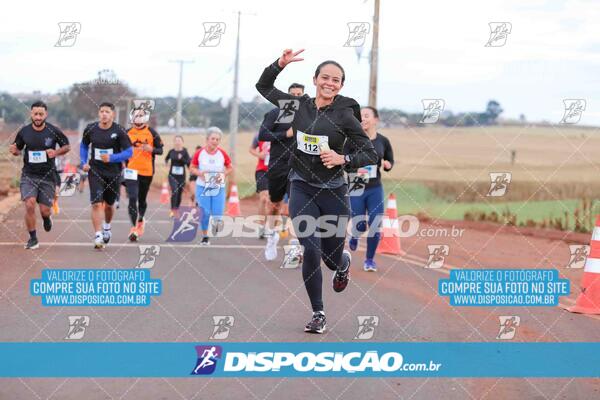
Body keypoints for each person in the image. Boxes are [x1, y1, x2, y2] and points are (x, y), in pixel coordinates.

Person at [256, 49, 378, 333]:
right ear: (315, 79)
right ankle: (318, 313)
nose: (330, 83)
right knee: (309, 248)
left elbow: (368, 153)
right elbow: (263, 87)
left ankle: (343, 261)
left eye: (336, 80)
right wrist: (279, 65)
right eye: (325, 77)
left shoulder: (346, 115)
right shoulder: (298, 106)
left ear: (341, 86)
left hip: (334, 191)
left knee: (331, 257)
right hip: (301, 185)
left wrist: (343, 159)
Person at [9, 101, 70, 249]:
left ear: (45, 115)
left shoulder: (53, 131)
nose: (37, 117)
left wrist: (55, 152)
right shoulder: (24, 132)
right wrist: (15, 151)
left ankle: (46, 218)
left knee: (44, 209)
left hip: (48, 176)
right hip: (29, 175)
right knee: (29, 204)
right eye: (35, 114)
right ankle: (33, 238)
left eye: (40, 114)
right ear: (31, 114)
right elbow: (17, 149)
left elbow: (67, 146)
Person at [258, 82, 305, 260]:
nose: (295, 97)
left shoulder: (308, 116)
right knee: (275, 205)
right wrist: (285, 135)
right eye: (292, 94)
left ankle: (294, 245)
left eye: (299, 94)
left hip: (299, 167)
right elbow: (262, 134)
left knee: (296, 206)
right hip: (278, 166)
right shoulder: (275, 114)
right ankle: (272, 236)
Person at [346, 106, 394, 272]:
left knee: (375, 222)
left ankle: (369, 260)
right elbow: (343, 161)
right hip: (357, 184)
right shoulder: (351, 140)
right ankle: (355, 235)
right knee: (359, 222)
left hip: (375, 187)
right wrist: (355, 167)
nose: (363, 119)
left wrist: (388, 165)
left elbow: (389, 160)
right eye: (360, 116)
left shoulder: (383, 141)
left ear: (376, 120)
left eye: (367, 116)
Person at [80, 102, 133, 249]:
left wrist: (112, 158)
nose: (104, 114)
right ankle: (97, 235)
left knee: (109, 205)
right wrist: (84, 161)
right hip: (95, 170)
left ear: (112, 114)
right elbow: (84, 146)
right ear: (99, 113)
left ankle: (107, 227)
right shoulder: (90, 129)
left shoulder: (120, 131)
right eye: (102, 111)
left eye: (107, 112)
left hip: (113, 172)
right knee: (96, 203)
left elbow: (129, 152)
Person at [124, 106, 164, 241]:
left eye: (141, 115)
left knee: (141, 199)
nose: (138, 117)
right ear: (132, 117)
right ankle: (134, 228)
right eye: (136, 115)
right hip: (131, 170)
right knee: (132, 198)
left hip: (146, 171)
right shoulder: (127, 132)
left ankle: (140, 218)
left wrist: (151, 149)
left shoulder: (152, 132)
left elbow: (160, 151)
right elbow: (120, 150)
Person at [189, 127, 233, 245]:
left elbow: (230, 167)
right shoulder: (200, 153)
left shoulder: (222, 153)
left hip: (218, 187)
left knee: (218, 213)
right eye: (213, 138)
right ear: (207, 139)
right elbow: (191, 167)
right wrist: (200, 173)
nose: (215, 141)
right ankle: (205, 236)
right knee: (205, 213)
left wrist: (224, 174)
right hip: (202, 186)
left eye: (217, 139)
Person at [248, 133, 270, 239]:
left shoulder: (282, 134)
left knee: (274, 201)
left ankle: (272, 227)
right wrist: (259, 155)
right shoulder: (259, 135)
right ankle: (261, 227)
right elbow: (251, 149)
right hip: (262, 170)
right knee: (264, 198)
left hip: (277, 171)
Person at [165, 135, 191, 218]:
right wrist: (166, 163)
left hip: (181, 176)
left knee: (179, 193)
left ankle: (177, 208)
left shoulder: (185, 152)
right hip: (172, 176)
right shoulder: (171, 151)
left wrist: (182, 159)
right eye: (176, 140)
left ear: (182, 142)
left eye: (179, 140)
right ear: (174, 142)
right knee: (174, 191)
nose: (177, 142)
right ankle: (173, 210)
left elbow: (188, 163)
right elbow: (166, 158)